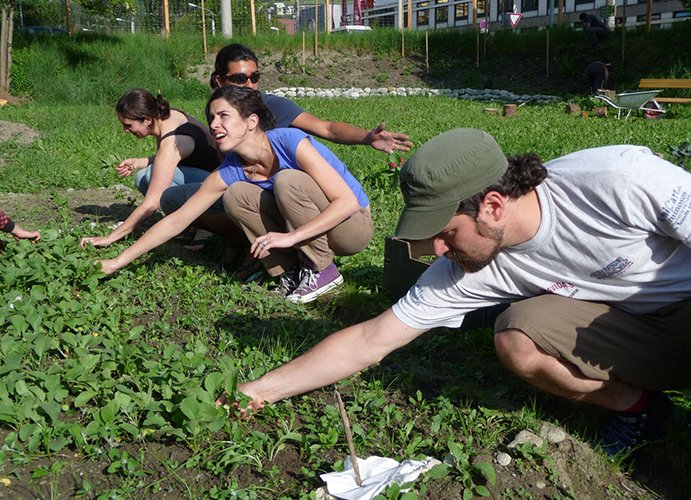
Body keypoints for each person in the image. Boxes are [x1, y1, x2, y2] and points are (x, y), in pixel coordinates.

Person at [223, 128, 690, 458]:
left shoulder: (617, 179)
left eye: (445, 233)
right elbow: (371, 341)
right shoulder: (472, 264)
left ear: (491, 205)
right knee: (517, 336)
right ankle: (641, 410)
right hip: (637, 329)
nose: (439, 250)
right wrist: (257, 390)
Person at [97, 86, 373, 303]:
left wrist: (291, 238)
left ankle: (322, 270)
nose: (214, 124)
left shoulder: (289, 141)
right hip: (311, 229)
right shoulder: (232, 169)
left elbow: (346, 202)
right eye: (212, 118)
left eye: (223, 116)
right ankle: (289, 273)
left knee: (288, 180)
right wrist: (116, 262)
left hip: (350, 227)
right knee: (237, 195)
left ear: (251, 121)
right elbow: (177, 219)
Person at [161, 43, 411, 280]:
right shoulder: (219, 113)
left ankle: (313, 264)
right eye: (240, 79)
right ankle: (261, 251)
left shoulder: (272, 109)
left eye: (254, 77)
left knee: (286, 181)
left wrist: (366, 137)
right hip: (258, 190)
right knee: (184, 198)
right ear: (219, 80)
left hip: (305, 199)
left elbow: (327, 128)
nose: (249, 85)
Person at [79, 89, 221, 251]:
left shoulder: (172, 141)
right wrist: (140, 162)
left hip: (217, 189)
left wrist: (111, 237)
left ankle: (203, 225)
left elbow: (152, 203)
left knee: (151, 175)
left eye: (128, 125)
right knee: (142, 176)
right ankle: (192, 222)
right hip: (205, 176)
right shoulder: (167, 117)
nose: (125, 130)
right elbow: (172, 158)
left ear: (147, 120)